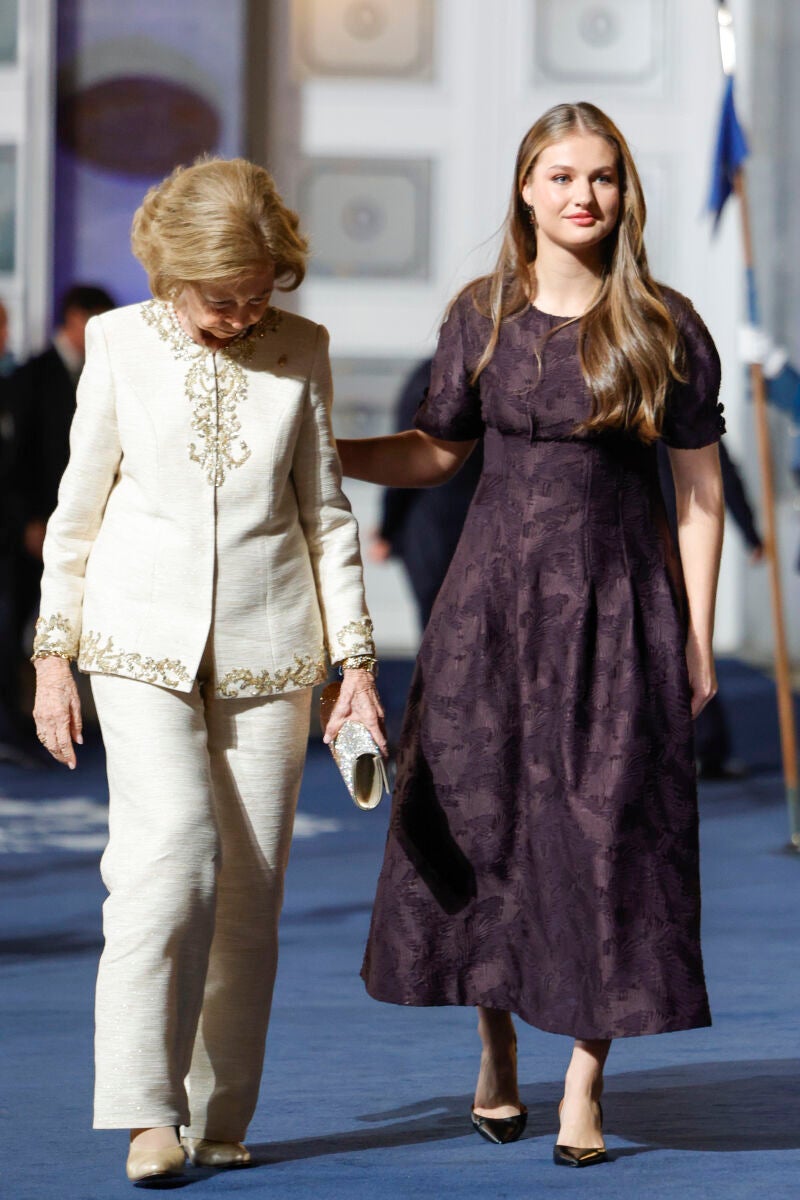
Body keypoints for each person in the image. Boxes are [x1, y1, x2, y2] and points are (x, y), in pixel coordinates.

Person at [336, 102, 725, 1168]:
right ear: (525, 189)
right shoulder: (481, 316)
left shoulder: (663, 324)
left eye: (601, 177)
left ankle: (583, 1084)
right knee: (488, 829)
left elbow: (698, 492)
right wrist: (324, 449)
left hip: (618, 614)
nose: (582, 196)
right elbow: (435, 453)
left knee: (606, 841)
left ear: (624, 191)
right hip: (489, 618)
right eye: (561, 176)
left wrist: (695, 637)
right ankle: (497, 1046)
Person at [31, 157, 385, 1185]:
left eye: (255, 295)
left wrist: (354, 664)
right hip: (134, 641)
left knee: (249, 894)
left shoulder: (304, 348)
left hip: (272, 647)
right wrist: (52, 655)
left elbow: (326, 515)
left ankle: (218, 1112)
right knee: (169, 857)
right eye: (218, 298)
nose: (238, 316)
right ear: (169, 274)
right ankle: (146, 1112)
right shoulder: (115, 342)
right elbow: (76, 511)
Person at [657, 439, 763, 780]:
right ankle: (702, 749)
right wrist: (751, 533)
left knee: (685, 649)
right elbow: (721, 472)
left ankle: (704, 748)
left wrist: (750, 531)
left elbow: (713, 472)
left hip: (668, 543)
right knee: (681, 645)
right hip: (663, 543)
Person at [370, 359, 483, 630]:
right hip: (494, 523)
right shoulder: (513, 369)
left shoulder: (435, 373)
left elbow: (408, 459)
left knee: (438, 629)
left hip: (434, 523)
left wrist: (388, 529)